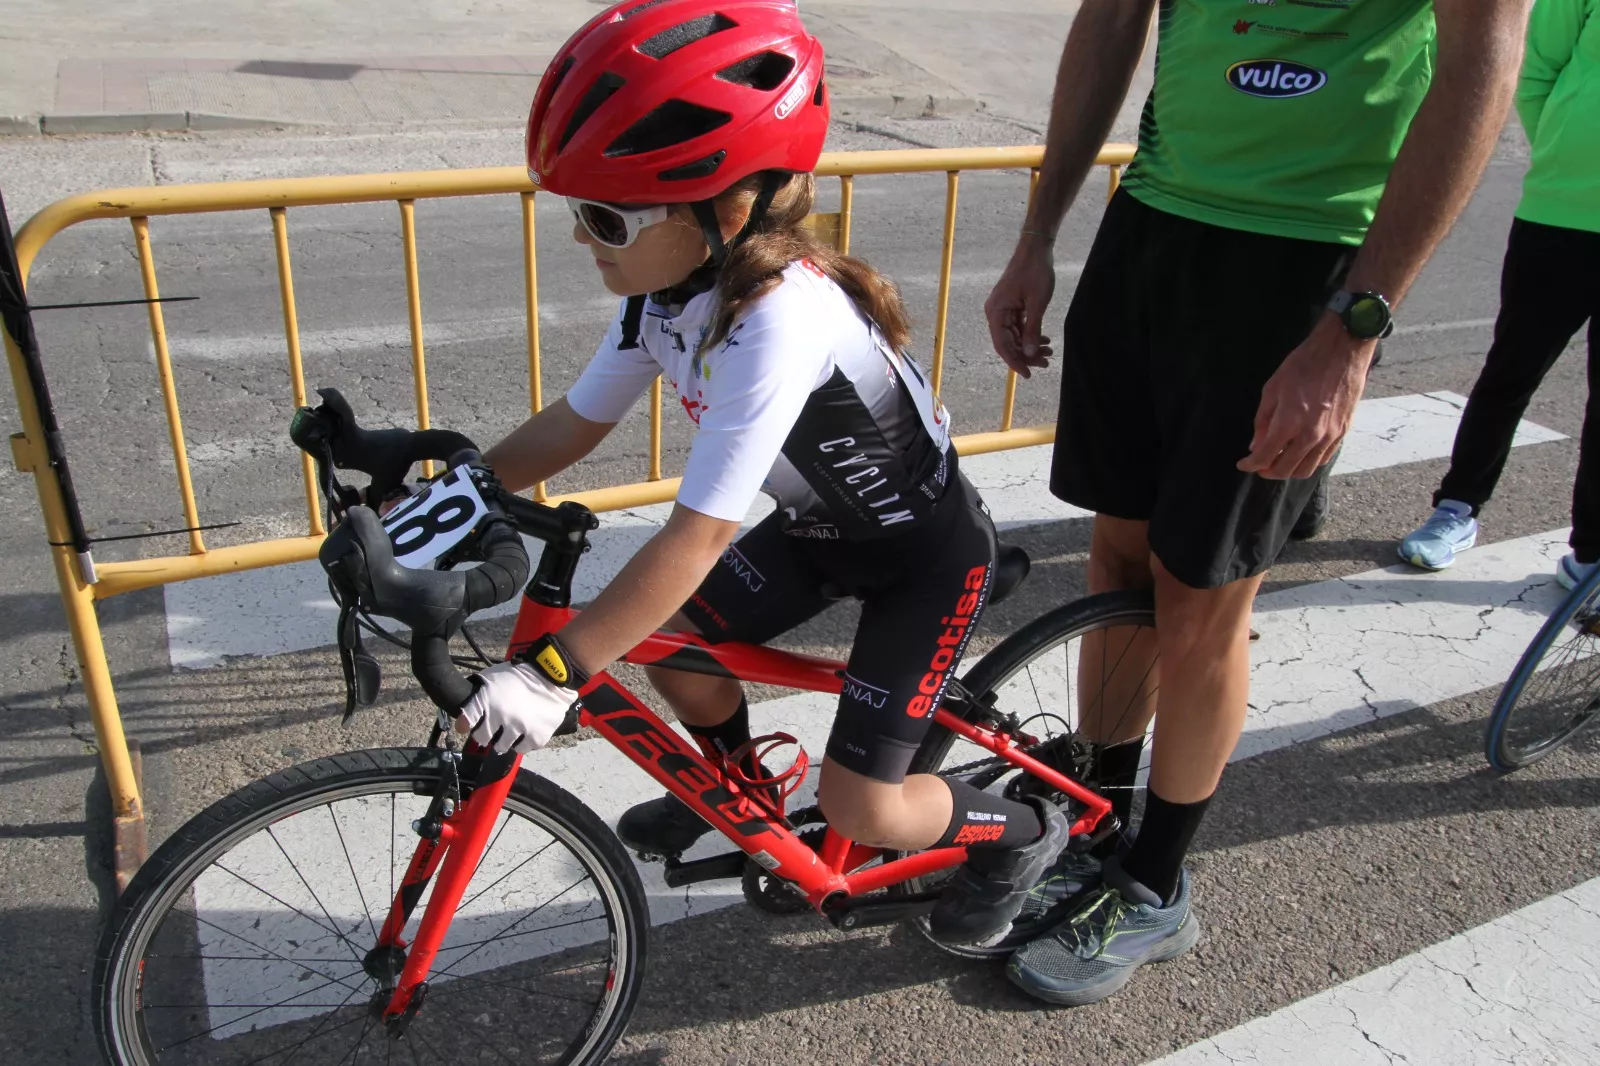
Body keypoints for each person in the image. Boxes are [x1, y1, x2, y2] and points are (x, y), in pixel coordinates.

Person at [459, 0, 1068, 948]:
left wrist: (553, 670)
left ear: (727, 208)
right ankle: (739, 797)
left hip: (924, 560)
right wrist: (452, 486)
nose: (583, 239)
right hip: (821, 536)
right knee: (678, 654)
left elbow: (695, 536)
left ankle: (1027, 832)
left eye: (604, 216)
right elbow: (573, 423)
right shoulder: (672, 292)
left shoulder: (781, 318)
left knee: (862, 806)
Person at [984, 0, 1531, 1005]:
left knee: (1200, 595)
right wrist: (1037, 234)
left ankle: (1154, 882)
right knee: (1116, 560)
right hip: (1153, 222)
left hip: (1304, 254)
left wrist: (1352, 332)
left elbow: (1477, 73)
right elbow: (1111, 20)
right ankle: (1098, 819)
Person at [1399, 0, 1600, 588]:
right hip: (1558, 214)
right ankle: (1456, 508)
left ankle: (1588, 554)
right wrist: (1564, 156)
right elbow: (1535, 71)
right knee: (1511, 371)